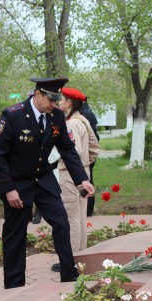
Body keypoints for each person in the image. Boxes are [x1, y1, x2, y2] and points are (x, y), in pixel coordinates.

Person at [0, 77, 95, 289]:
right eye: (51, 100)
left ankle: (69, 275)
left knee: (61, 222)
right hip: (17, 185)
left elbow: (67, 148)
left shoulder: (56, 116)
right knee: (15, 235)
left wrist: (82, 180)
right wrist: (8, 189)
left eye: (57, 100)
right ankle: (14, 285)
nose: (55, 105)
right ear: (37, 95)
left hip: (44, 180)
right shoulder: (13, 115)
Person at [54, 87, 99, 272]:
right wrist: (85, 167)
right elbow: (94, 148)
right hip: (83, 173)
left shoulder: (71, 123)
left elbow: (76, 150)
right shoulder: (84, 120)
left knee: (71, 217)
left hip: (71, 175)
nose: (58, 103)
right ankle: (81, 256)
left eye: (61, 100)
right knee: (79, 217)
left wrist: (65, 162)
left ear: (69, 103)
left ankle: (71, 260)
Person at [81, 98, 100, 217]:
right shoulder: (87, 113)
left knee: (87, 181)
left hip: (86, 155)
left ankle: (88, 210)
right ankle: (88, 210)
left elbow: (92, 138)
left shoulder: (86, 115)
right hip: (87, 155)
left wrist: (89, 158)